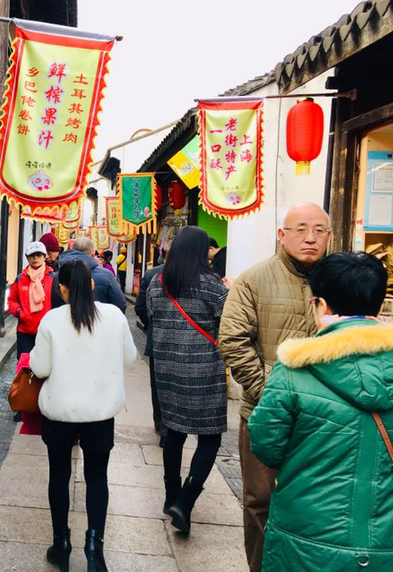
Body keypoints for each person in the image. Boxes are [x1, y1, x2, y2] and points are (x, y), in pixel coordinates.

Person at [248, 252, 393, 571]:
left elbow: (266, 445)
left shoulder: (294, 372)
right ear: (379, 308)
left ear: (320, 305)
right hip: (384, 546)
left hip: (303, 538)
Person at [219, 202, 330, 572]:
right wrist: (272, 395)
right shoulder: (254, 279)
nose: (310, 238)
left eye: (319, 230)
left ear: (330, 236)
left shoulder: (338, 279)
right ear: (281, 235)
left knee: (316, 503)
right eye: (300, 229)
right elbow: (233, 340)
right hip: (264, 414)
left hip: (326, 418)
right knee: (259, 501)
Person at [31, 260, 137, 572]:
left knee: (59, 475)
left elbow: (40, 368)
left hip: (60, 411)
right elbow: (130, 357)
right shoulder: (114, 316)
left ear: (61, 289)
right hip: (99, 413)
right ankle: (94, 549)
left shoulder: (52, 320)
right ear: (91, 285)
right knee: (97, 477)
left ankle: (61, 544)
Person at [146, 227, 228, 534]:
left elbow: (150, 314)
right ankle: (186, 499)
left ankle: (170, 496)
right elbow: (228, 320)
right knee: (209, 437)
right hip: (204, 370)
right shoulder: (212, 285)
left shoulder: (158, 282)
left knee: (174, 433)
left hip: (166, 369)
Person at [134, 249, 169, 445]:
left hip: (157, 338)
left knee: (158, 385)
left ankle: (162, 426)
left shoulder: (152, 274)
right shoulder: (199, 275)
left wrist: (151, 325)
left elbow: (140, 307)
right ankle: (175, 426)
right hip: (187, 343)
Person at [52, 236, 127, 313]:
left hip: (65, 322)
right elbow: (120, 305)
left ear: (72, 249)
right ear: (93, 253)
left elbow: (54, 305)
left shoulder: (58, 276)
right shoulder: (106, 275)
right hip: (100, 322)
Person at [8, 241, 55, 356]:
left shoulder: (53, 278)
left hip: (46, 330)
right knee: (24, 365)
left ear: (44, 257)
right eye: (32, 255)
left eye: (39, 255)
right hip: (25, 330)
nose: (35, 258)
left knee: (43, 366)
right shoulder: (20, 279)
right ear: (27, 258)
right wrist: (19, 312)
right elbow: (11, 300)